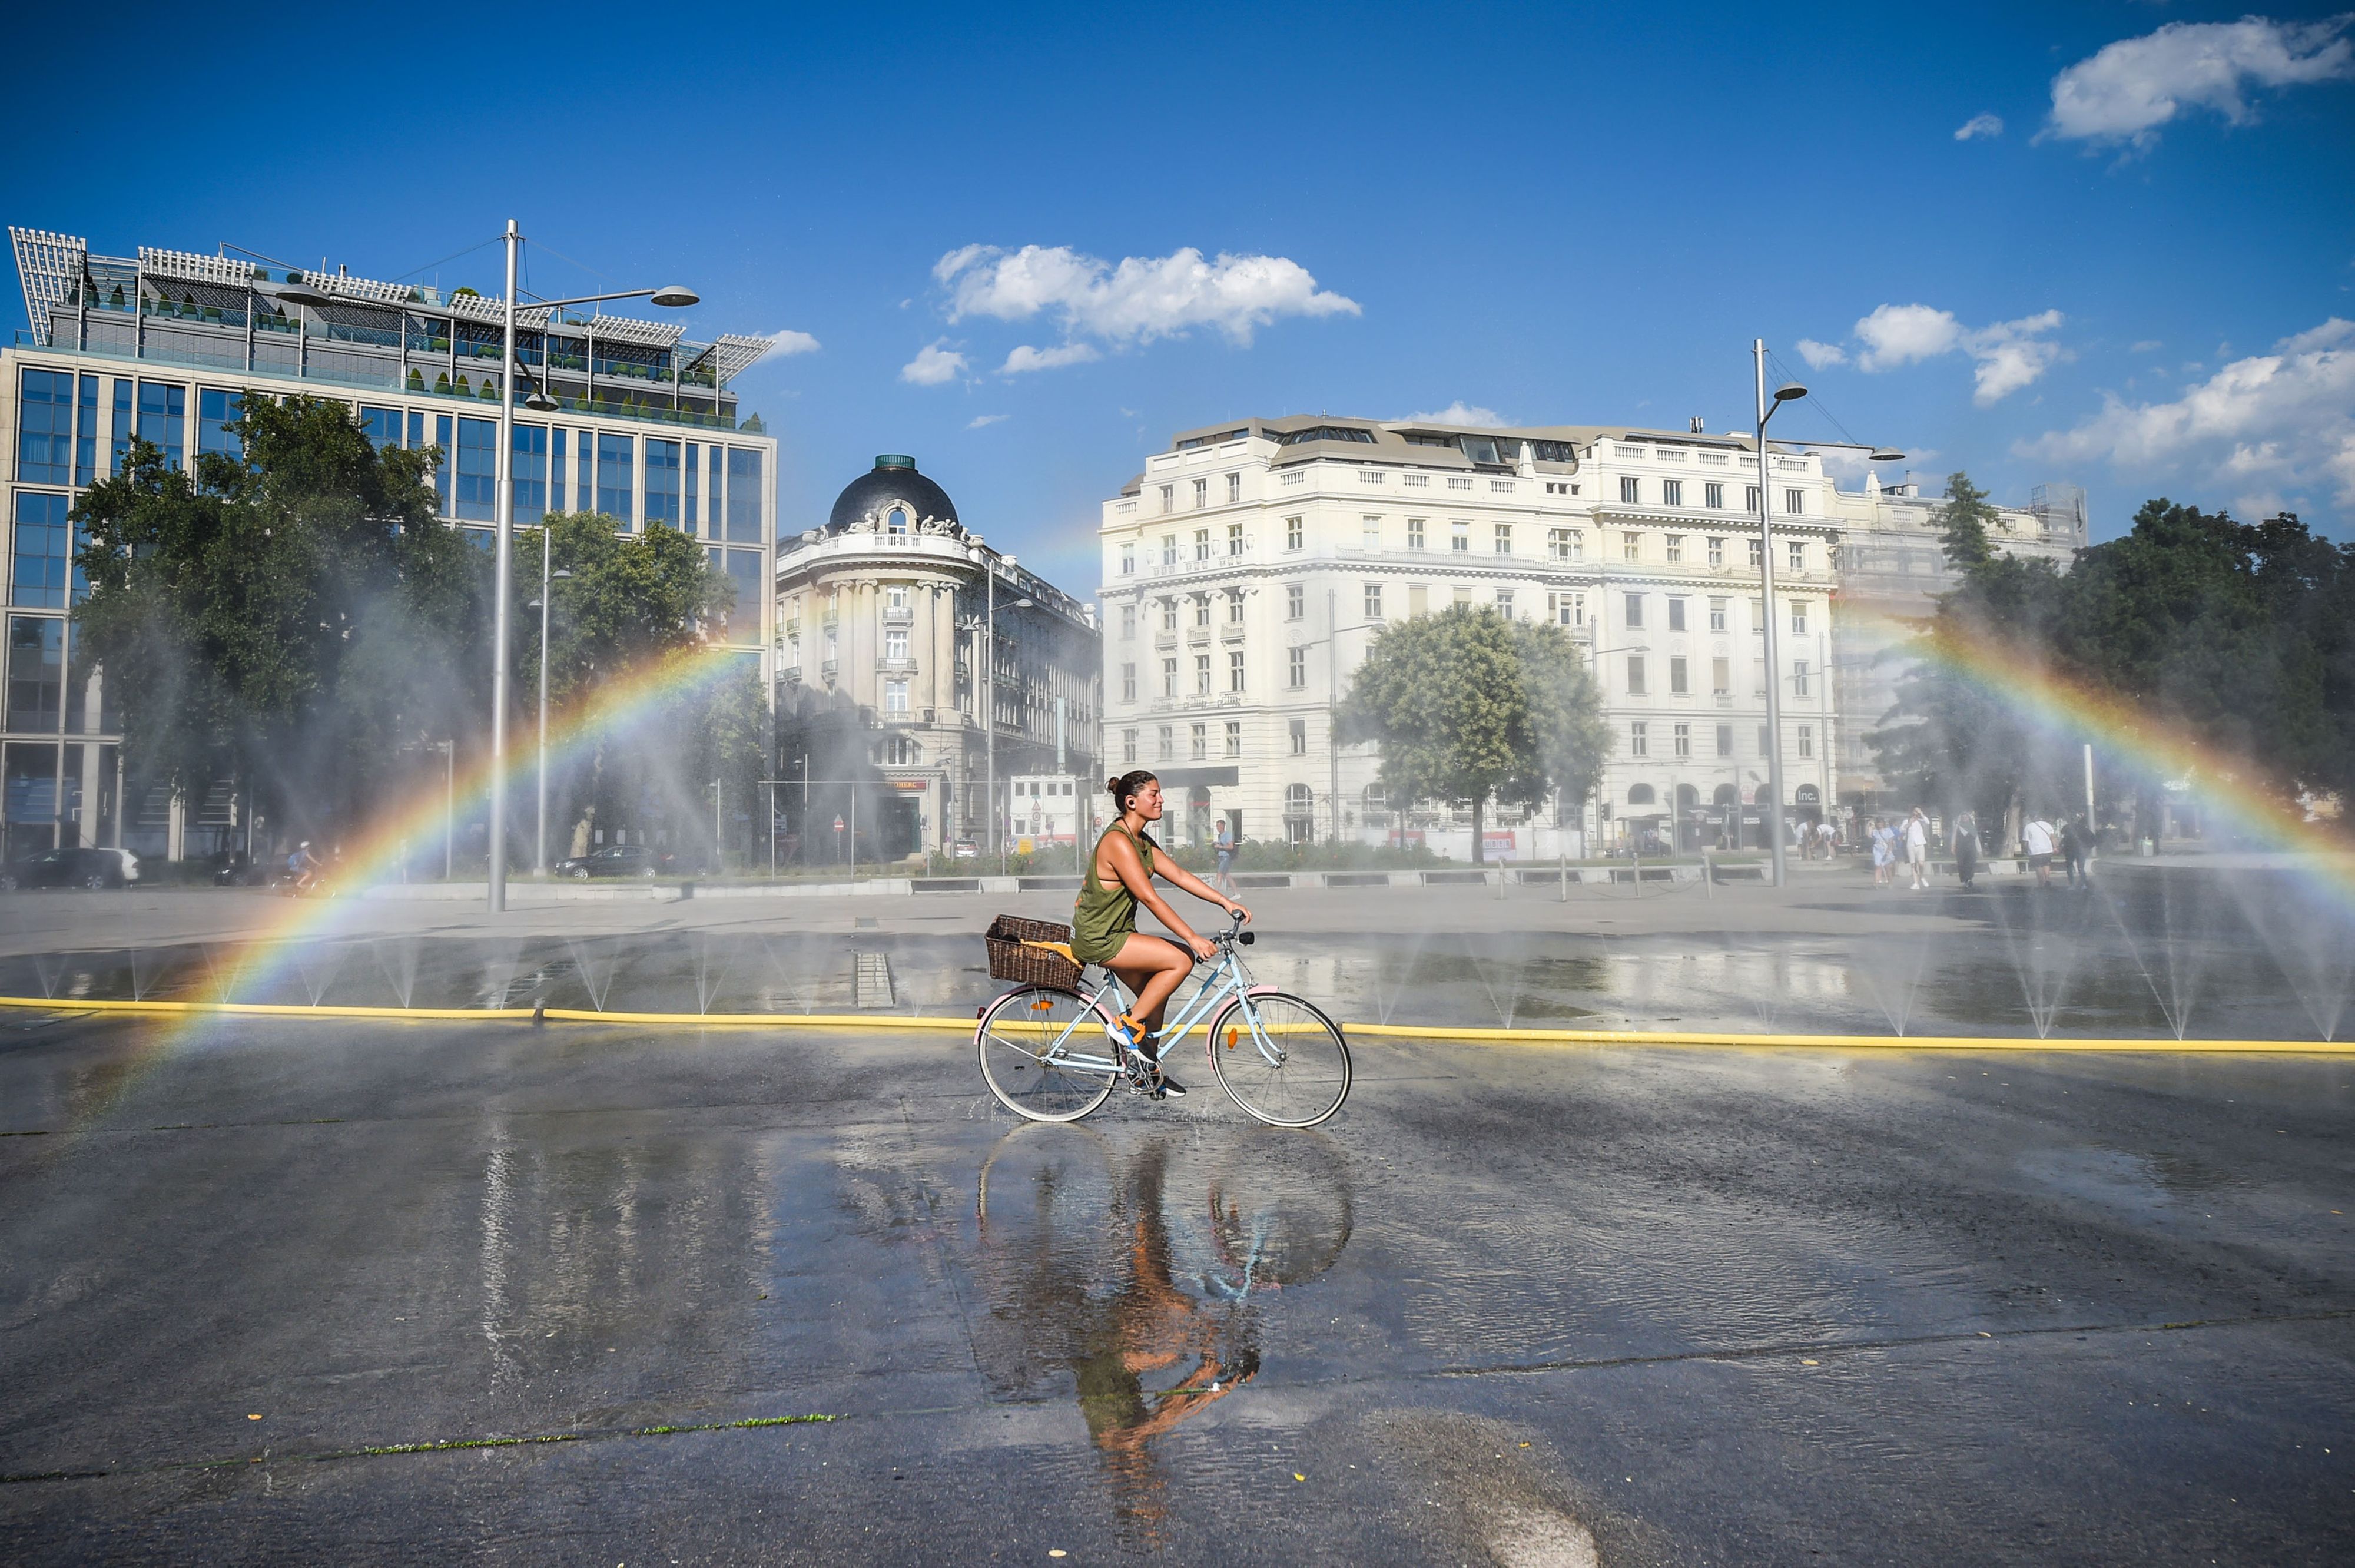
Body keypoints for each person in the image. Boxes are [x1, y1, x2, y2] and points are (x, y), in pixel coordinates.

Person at [1071, 771, 1249, 1098]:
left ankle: (1146, 1071)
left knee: (1157, 997)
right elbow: (1150, 897)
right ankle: (1125, 1027)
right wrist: (1193, 938)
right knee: (1180, 958)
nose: (1161, 799)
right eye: (1153, 794)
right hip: (1100, 937)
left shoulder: (1141, 841)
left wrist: (1224, 901)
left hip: (1118, 933)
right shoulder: (1118, 842)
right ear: (1131, 802)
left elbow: (1179, 875)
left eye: (1159, 793)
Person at [2022, 813, 2057, 889]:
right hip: (2047, 849)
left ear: (2031, 818)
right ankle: (2047, 879)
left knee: (2038, 866)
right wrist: (2055, 847)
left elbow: (2026, 841)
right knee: (2046, 865)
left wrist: (2024, 849)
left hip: (2035, 850)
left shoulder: (2028, 827)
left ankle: (2041, 882)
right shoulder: (2047, 825)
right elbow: (2052, 837)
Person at [2061, 812, 2091, 889]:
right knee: (2081, 867)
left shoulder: (2067, 828)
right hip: (2080, 850)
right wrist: (2088, 848)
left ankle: (2072, 884)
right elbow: (2093, 839)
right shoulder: (2083, 828)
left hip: (2070, 850)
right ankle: (2083, 884)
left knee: (2070, 867)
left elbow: (2064, 837)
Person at [1903, 806, 1930, 891]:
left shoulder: (1921, 821)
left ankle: (1921, 876)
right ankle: (1916, 883)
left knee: (1921, 863)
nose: (1916, 814)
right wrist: (1910, 823)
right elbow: (1903, 829)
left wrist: (1921, 814)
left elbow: (1928, 822)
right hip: (1910, 844)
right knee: (1913, 864)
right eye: (1914, 812)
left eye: (1917, 813)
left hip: (1920, 844)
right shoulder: (1907, 820)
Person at [1953, 811, 1980, 890]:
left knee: (1971, 864)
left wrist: (1980, 850)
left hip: (1971, 848)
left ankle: (1969, 879)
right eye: (1963, 817)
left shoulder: (1972, 827)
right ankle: (1965, 879)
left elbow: (1976, 839)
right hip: (1961, 849)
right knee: (1962, 865)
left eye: (1966, 817)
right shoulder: (1958, 827)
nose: (1965, 819)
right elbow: (1954, 837)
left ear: (1969, 818)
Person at [1212, 817, 1237, 896]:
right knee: (1227, 876)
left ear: (1223, 826)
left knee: (1219, 874)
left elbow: (1231, 847)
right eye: (1217, 826)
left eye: (1219, 826)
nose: (1217, 828)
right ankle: (1236, 893)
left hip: (1226, 858)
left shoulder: (1227, 835)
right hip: (1221, 857)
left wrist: (1220, 847)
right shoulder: (1220, 836)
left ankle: (1215, 894)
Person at [1869, 817, 1892, 887]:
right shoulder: (1875, 831)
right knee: (1878, 866)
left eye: (1881, 822)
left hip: (1886, 850)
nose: (1880, 824)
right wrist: (1870, 827)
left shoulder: (1888, 830)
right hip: (1877, 850)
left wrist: (1889, 850)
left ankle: (1890, 883)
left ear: (1884, 823)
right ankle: (1876, 883)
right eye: (1878, 822)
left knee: (1887, 868)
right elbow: (1869, 836)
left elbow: (1891, 841)